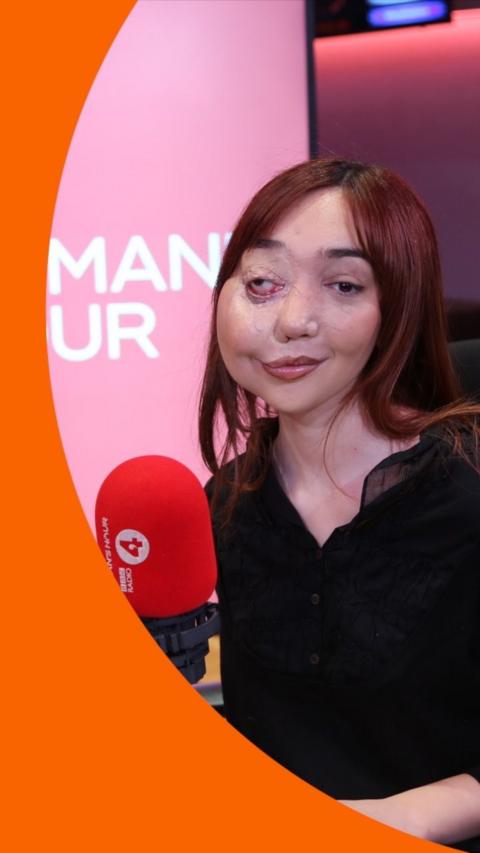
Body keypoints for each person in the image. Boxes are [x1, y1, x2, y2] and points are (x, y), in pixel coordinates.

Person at [199, 158, 480, 849]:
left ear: (399, 306)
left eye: (344, 285)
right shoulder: (227, 502)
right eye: (261, 283)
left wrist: (388, 819)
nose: (292, 320)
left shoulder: (468, 489)